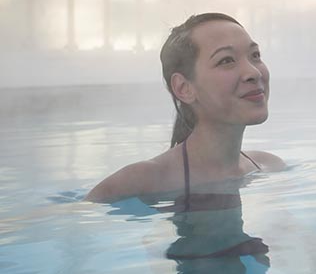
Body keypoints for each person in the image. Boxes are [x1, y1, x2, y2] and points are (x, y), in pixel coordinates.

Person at [86, 12, 285, 204]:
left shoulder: (267, 166)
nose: (253, 72)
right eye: (226, 60)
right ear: (184, 88)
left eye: (255, 55)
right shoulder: (141, 182)